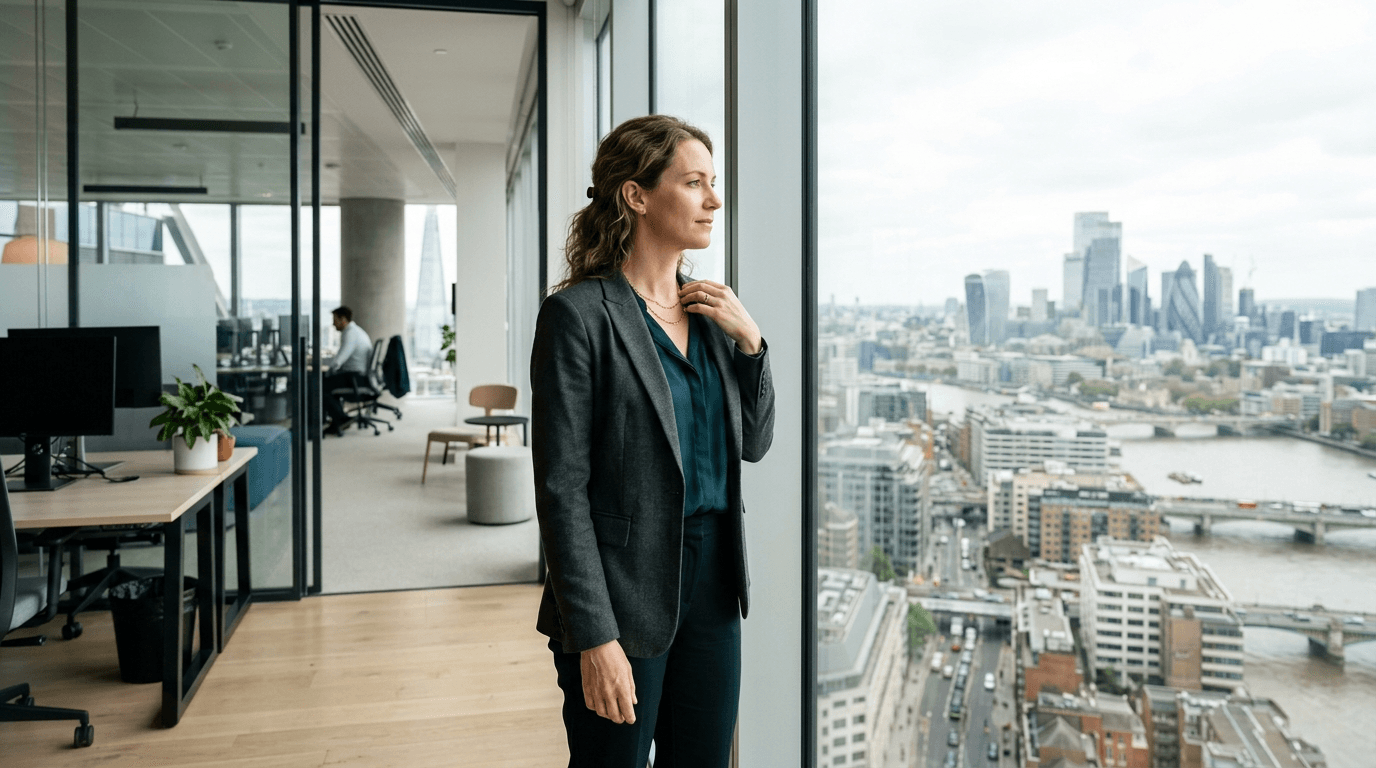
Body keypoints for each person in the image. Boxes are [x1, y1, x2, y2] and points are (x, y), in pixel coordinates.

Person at [530, 114, 776, 768]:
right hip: (621, 588)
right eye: (695, 183)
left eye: (713, 184)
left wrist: (750, 343)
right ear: (637, 196)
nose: (714, 200)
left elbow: (753, 443)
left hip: (714, 584)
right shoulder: (578, 317)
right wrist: (595, 637)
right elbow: (561, 492)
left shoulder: (711, 311)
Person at [322, 305, 371, 436]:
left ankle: (341, 419)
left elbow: (339, 360)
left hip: (355, 378)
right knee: (325, 382)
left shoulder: (350, 334)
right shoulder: (356, 331)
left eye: (335, 320)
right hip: (357, 376)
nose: (333, 324)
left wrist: (328, 371)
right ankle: (339, 419)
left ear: (343, 319)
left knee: (321, 386)